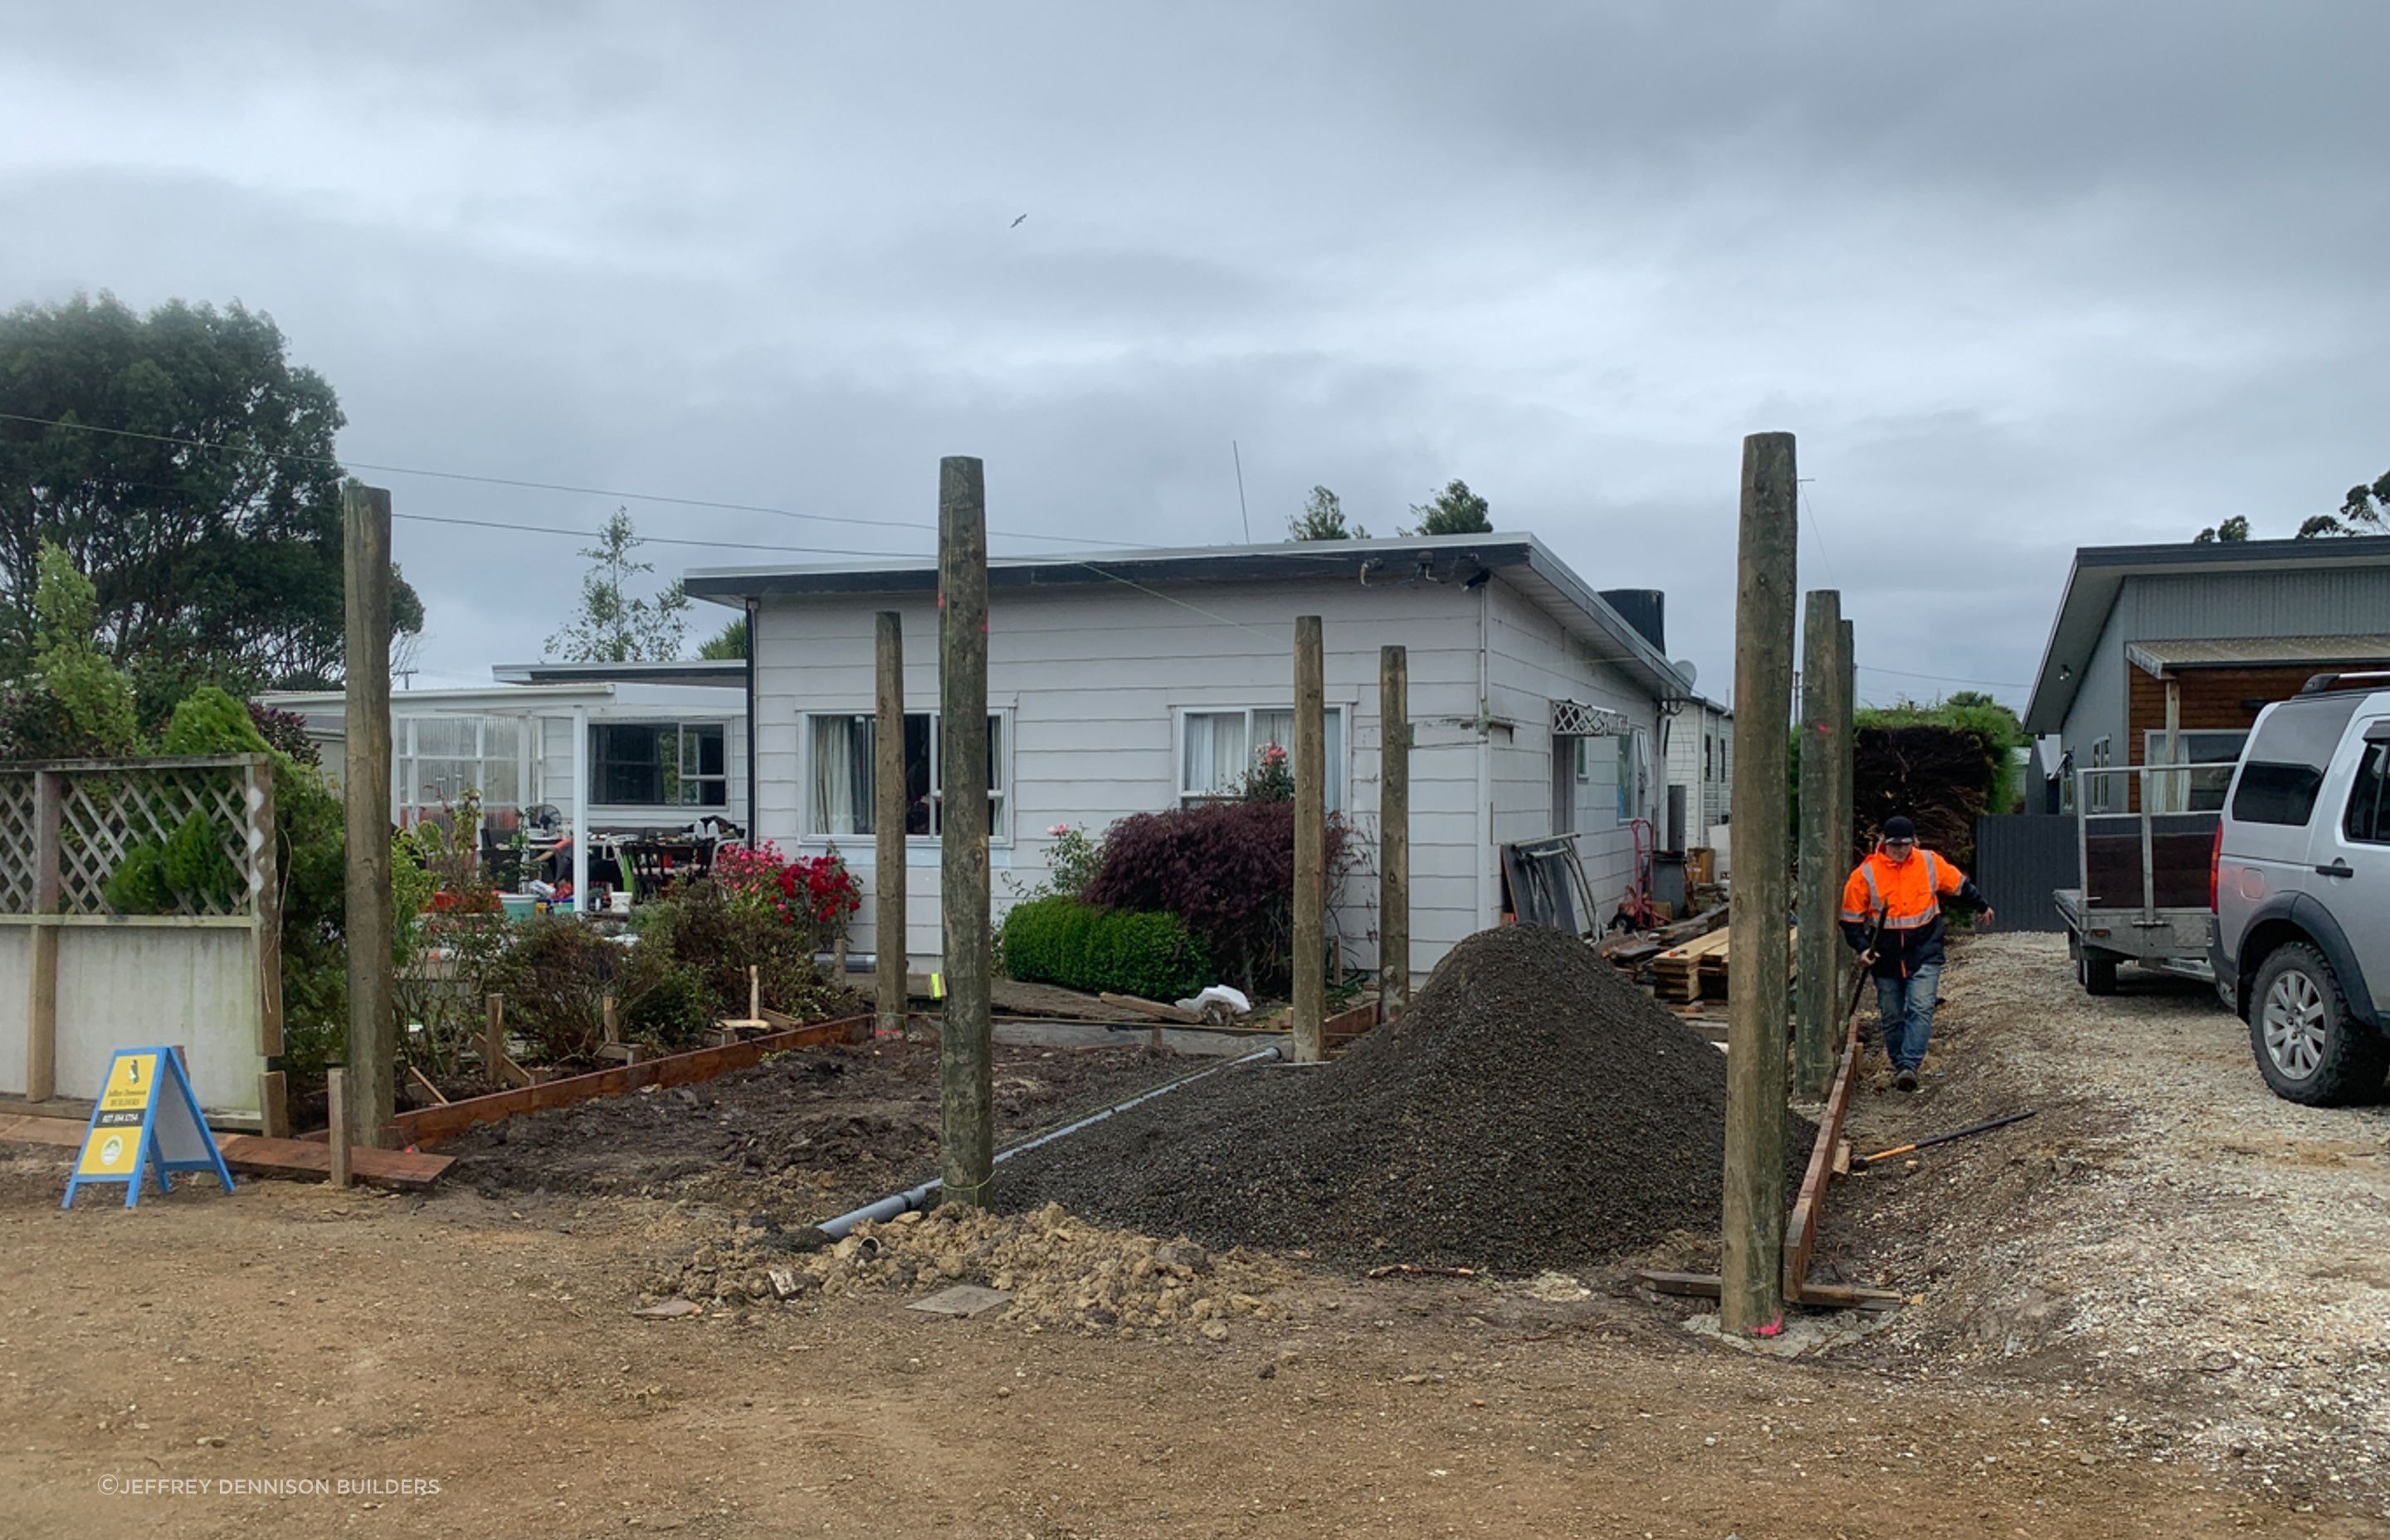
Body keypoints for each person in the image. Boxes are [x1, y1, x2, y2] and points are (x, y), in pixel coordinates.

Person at [1839, 815, 1995, 1092]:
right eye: (1895, 845)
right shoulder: (1865, 875)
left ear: (1914, 843)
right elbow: (1850, 921)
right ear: (1883, 843)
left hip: (1924, 949)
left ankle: (1910, 1065)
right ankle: (1900, 1064)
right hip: (1885, 957)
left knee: (1921, 1007)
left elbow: (1960, 886)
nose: (1900, 851)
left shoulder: (1929, 862)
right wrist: (1863, 949)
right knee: (1891, 1014)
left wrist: (1982, 906)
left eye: (1905, 845)